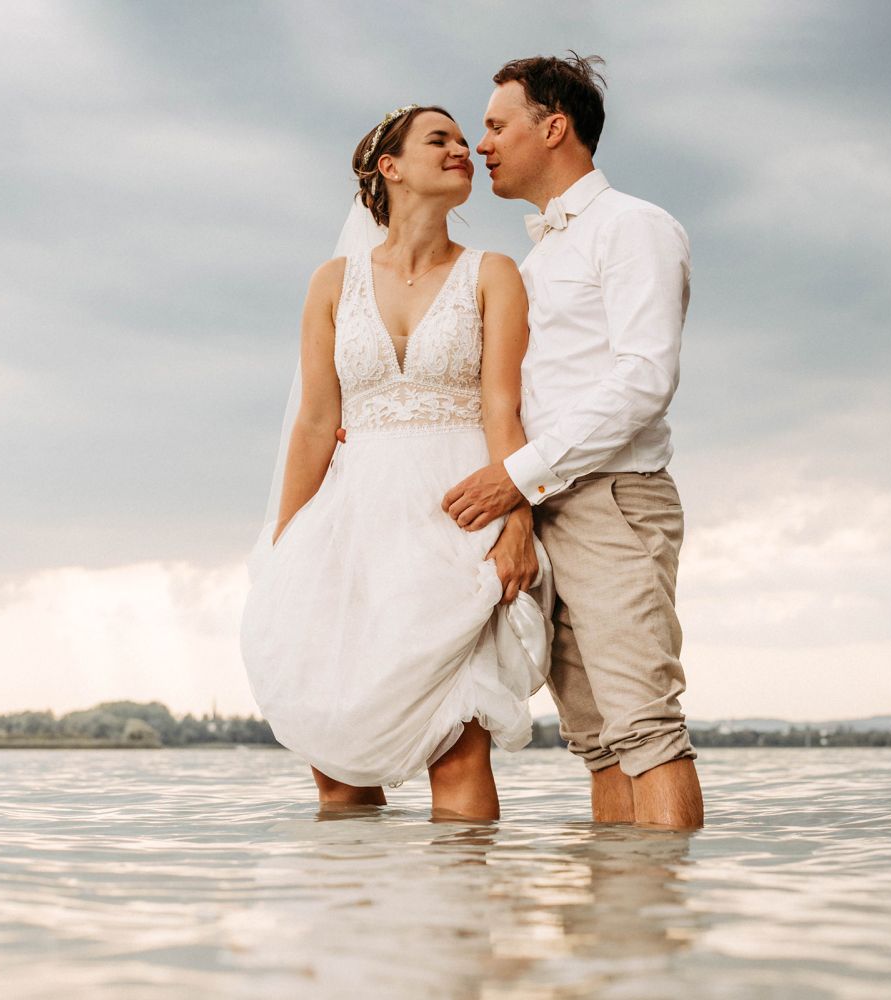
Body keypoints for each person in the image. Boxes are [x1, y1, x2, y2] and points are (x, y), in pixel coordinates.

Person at [239, 104, 554, 822]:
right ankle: (362, 926)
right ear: (391, 167)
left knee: (459, 744)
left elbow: (505, 411)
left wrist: (517, 525)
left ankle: (463, 928)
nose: (463, 149)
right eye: (438, 140)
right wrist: (283, 546)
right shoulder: (331, 283)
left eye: (462, 140)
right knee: (337, 760)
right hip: (352, 528)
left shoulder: (493, 274)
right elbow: (317, 422)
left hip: (457, 518)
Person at [442, 54, 706, 830]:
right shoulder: (538, 256)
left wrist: (516, 476)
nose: (481, 143)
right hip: (548, 507)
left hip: (613, 501)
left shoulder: (635, 226)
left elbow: (644, 378)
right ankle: (612, 936)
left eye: (495, 125)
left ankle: (658, 932)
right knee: (595, 739)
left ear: (553, 126)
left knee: (645, 727)